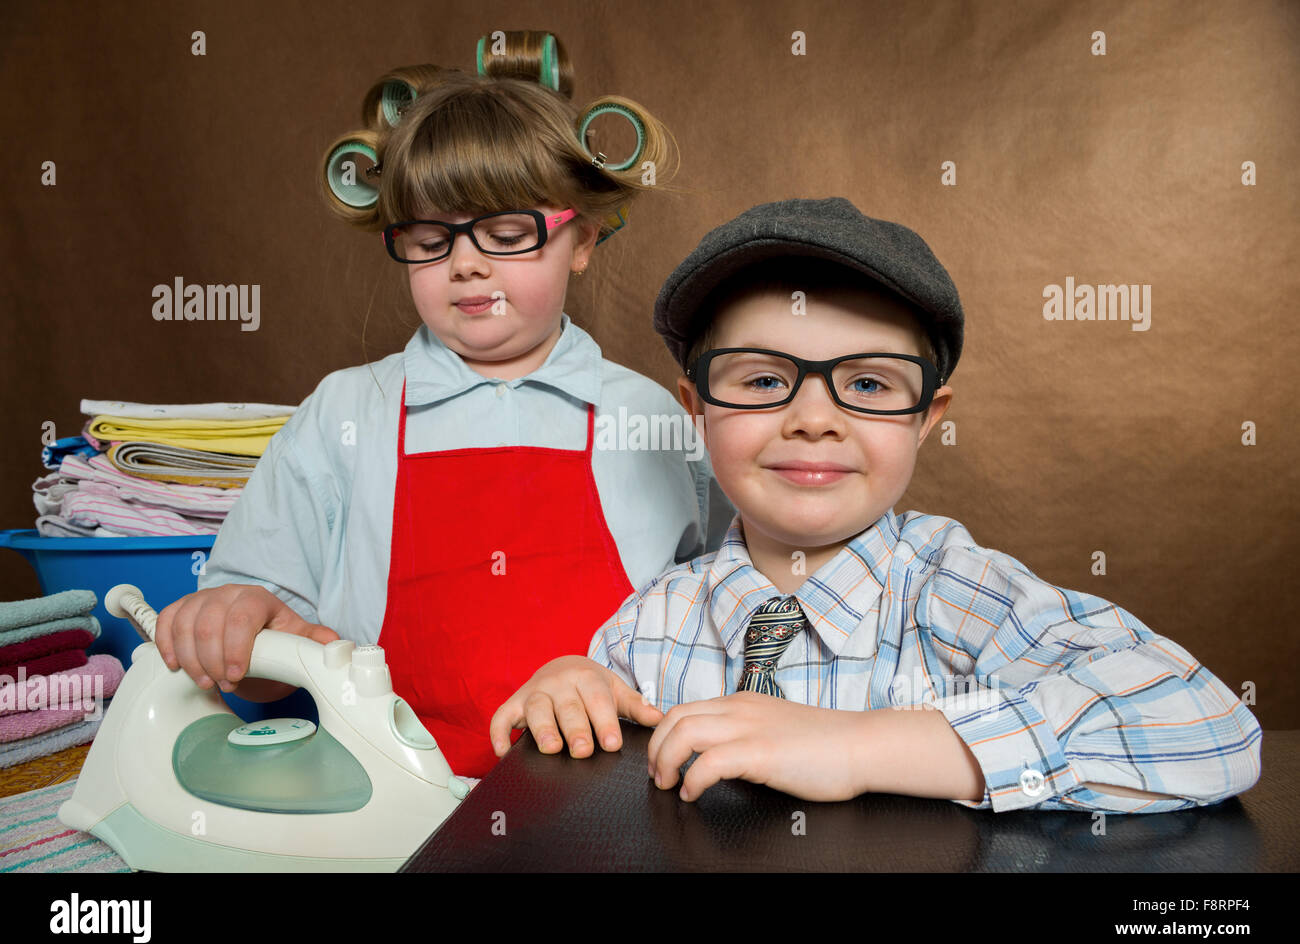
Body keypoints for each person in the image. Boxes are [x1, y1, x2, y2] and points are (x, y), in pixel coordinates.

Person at [490, 196, 1262, 812]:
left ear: (928, 417)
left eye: (866, 384)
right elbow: (593, 767)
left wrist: (859, 747)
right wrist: (573, 686)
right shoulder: (651, 620)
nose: (814, 417)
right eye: (762, 380)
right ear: (697, 409)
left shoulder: (953, 591)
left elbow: (1209, 727)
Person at [153, 32, 729, 778]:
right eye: (430, 238)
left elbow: (735, 617)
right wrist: (240, 626)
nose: (466, 262)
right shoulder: (342, 414)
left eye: (507, 231)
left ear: (581, 239)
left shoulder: (650, 418)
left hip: (612, 808)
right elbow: (261, 663)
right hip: (388, 809)